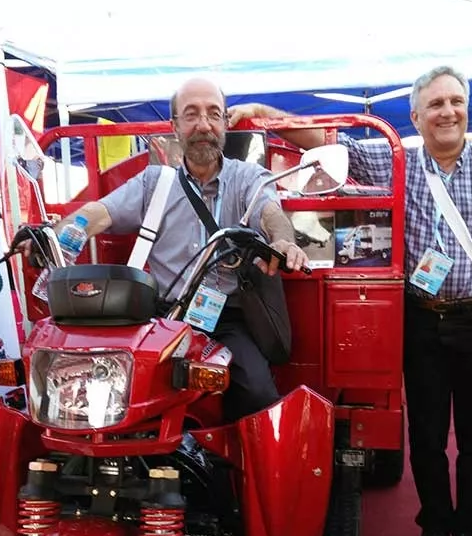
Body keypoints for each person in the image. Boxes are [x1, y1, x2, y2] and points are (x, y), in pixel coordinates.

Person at [241, 68, 472, 536]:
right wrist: (265, 120)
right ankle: (434, 528)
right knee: (423, 435)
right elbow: (330, 141)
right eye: (436, 104)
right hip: (419, 319)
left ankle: (469, 533)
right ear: (416, 116)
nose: (448, 112)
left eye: (455, 101)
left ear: (466, 109)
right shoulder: (395, 157)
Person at [57, 76, 309, 422]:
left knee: (258, 394)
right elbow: (99, 213)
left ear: (223, 123)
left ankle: (237, 470)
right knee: (110, 388)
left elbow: (271, 213)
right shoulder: (153, 182)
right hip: (164, 318)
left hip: (227, 318)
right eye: (191, 115)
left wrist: (283, 241)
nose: (203, 124)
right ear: (175, 125)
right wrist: (62, 232)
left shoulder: (247, 177)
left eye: (212, 113)